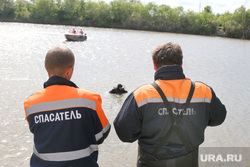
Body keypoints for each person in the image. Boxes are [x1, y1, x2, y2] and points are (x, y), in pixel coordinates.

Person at [114, 42, 226, 167]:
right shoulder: (204, 91)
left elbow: (125, 134)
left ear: (154, 65)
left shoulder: (142, 94)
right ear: (181, 64)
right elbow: (218, 118)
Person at [24, 46, 111, 167]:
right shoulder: (90, 100)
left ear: (46, 68)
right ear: (69, 70)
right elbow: (102, 134)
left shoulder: (30, 103)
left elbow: (41, 132)